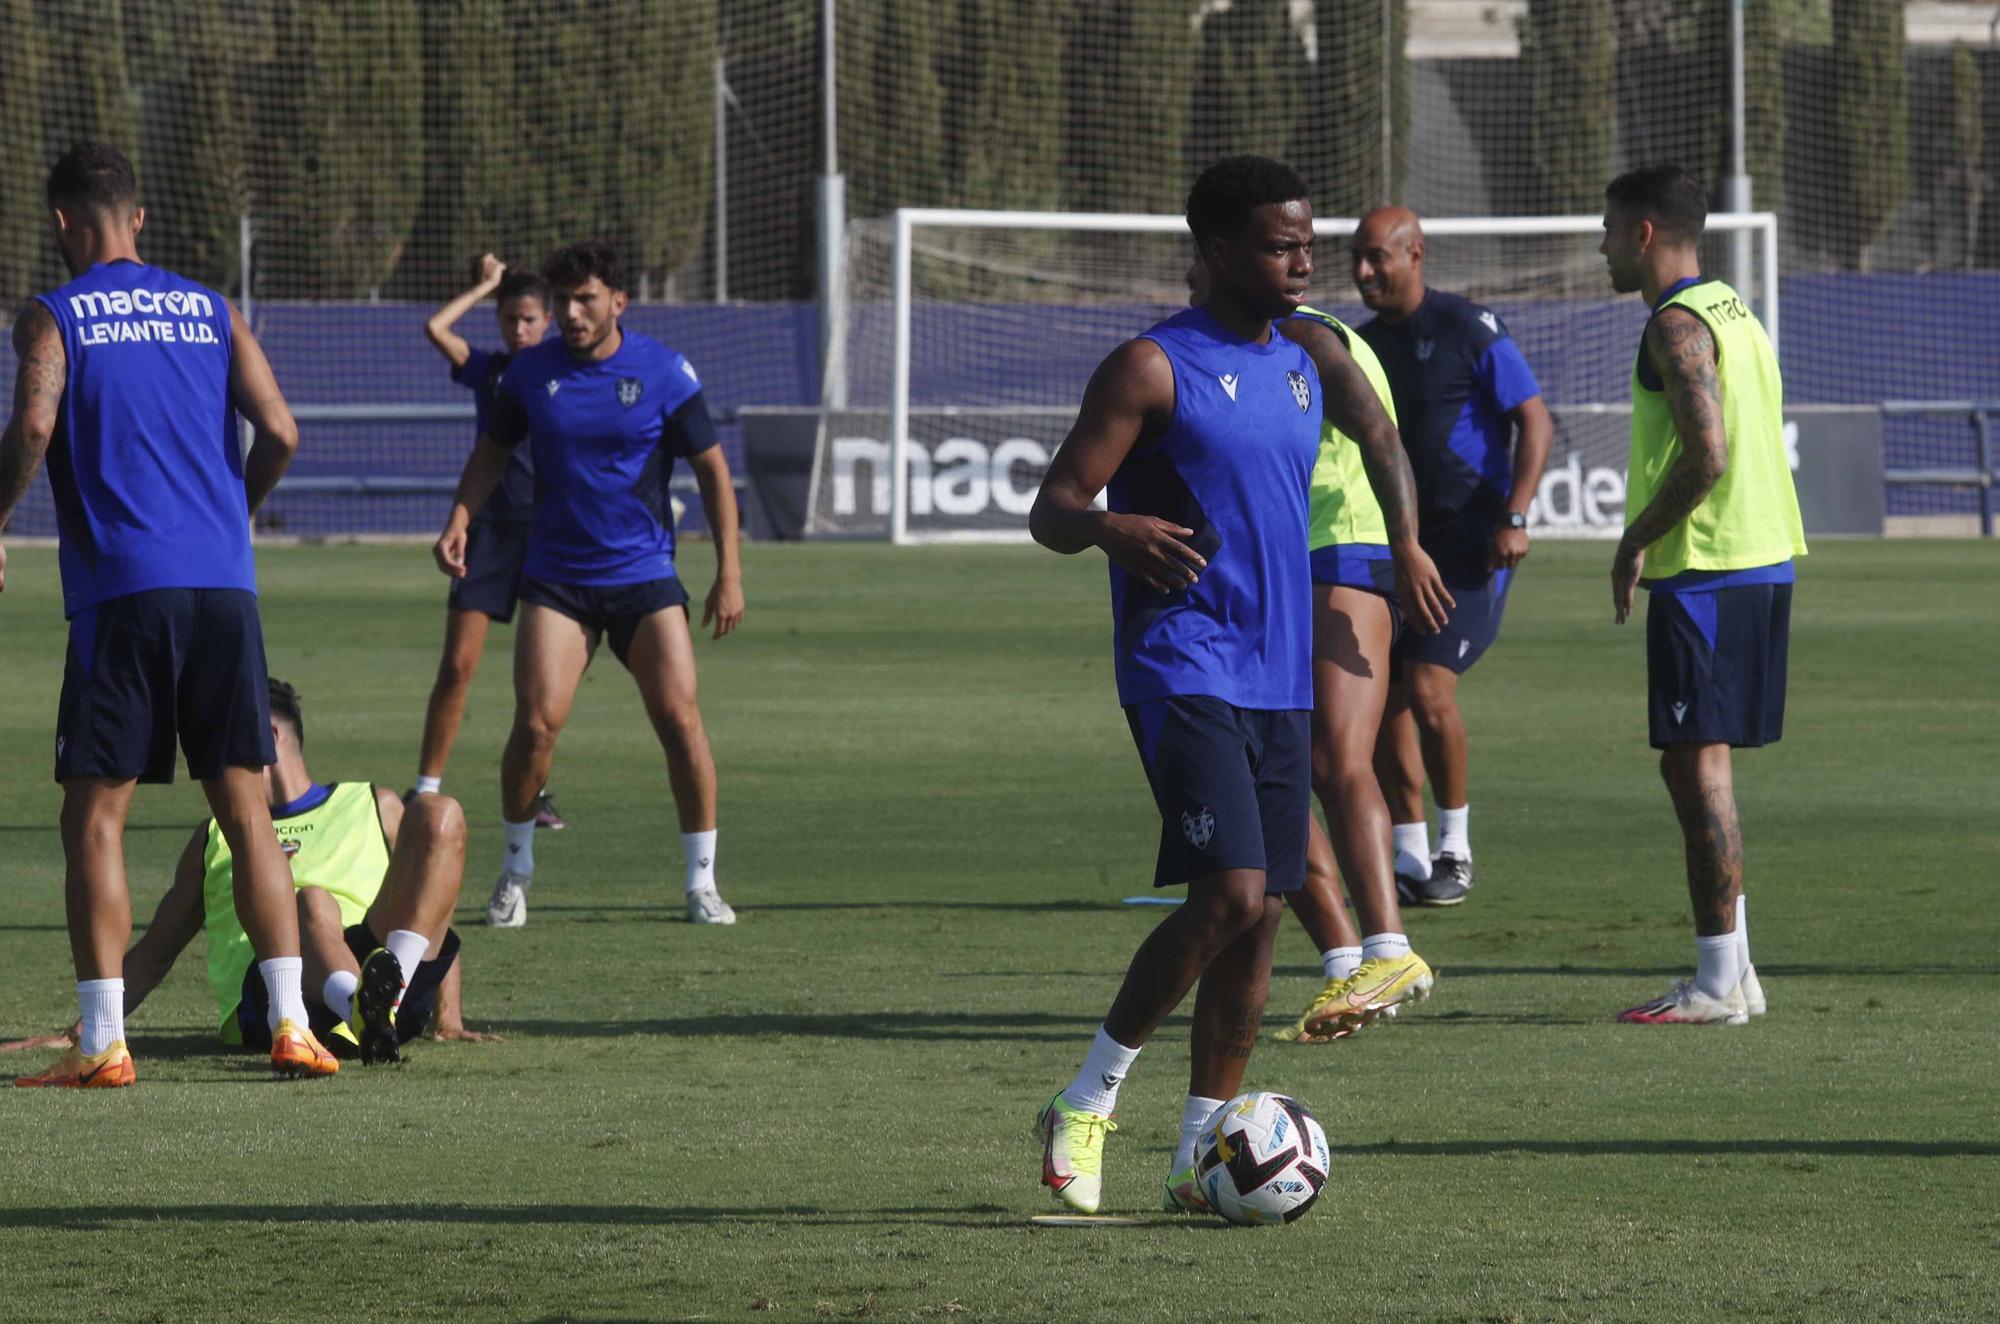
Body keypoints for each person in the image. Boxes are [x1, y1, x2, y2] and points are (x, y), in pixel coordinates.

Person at [0, 144, 337, 1086]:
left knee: (95, 819)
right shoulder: (211, 308)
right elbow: (282, 432)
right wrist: (235, 518)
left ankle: (103, 1042)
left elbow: (33, 426)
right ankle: (292, 1025)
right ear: (138, 217)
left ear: (64, 221)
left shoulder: (55, 313)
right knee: (247, 811)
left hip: (126, 594)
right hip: (224, 589)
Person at [1028, 156, 1320, 1216]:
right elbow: (1051, 506)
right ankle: (1084, 1099)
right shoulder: (1150, 367)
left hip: (1280, 671)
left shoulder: (1303, 364)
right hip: (1181, 662)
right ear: (1214, 253)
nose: (1302, 260)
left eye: (1305, 241)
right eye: (1280, 245)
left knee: (1266, 911)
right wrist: (1107, 524)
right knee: (1230, 891)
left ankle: (1198, 1151)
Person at [434, 239, 745, 928]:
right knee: (537, 727)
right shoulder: (529, 374)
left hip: (644, 579)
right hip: (557, 582)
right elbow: (492, 452)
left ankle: (702, 883)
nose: (571, 314)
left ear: (618, 303)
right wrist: (460, 516)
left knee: (680, 721)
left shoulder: (666, 373)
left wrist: (729, 571)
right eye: (564, 302)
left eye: (585, 300)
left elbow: (715, 472)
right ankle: (515, 872)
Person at [3, 679, 497, 1066]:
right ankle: (361, 1010)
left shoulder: (372, 803)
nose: (217, 766)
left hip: (385, 976)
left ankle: (376, 1012)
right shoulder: (216, 835)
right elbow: (154, 953)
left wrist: (447, 1017)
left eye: (226, 745)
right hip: (277, 999)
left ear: (268, 736)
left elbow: (433, 901)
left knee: (439, 815)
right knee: (310, 902)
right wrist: (82, 1028)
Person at [1599, 164, 1804, 1025]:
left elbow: (1708, 453)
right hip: (1762, 556)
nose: (1602, 246)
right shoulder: (1734, 308)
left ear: (1644, 233)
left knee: (1697, 765)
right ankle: (1737, 971)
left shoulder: (1675, 324)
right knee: (1697, 761)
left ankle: (1718, 982)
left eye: (1608, 229)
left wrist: (1635, 536)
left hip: (1710, 566)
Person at [1350, 207, 1554, 905]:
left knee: (1431, 690)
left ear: (1415, 254)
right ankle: (1408, 859)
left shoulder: (1469, 327)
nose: (1362, 271)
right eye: (1356, 257)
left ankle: (1454, 851)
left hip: (1472, 540)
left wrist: (1515, 515)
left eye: (1377, 256)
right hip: (1394, 543)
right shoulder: (1361, 347)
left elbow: (1534, 418)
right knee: (1385, 703)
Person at [1270, 300, 1450, 1042]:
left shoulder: (1305, 333)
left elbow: (1379, 432)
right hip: (1298, 558)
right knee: (1277, 766)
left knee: (1334, 759)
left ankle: (1389, 949)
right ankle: (1351, 965)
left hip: (1341, 549)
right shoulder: (1273, 339)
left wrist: (1406, 544)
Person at [411, 254, 565, 830]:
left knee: (541, 684)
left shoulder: (564, 373)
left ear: (548, 320)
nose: (518, 329)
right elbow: (436, 329)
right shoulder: (492, 371)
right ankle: (426, 787)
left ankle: (536, 790)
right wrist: (486, 286)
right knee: (457, 665)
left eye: (528, 319)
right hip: (490, 531)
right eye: (509, 319)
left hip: (550, 531)